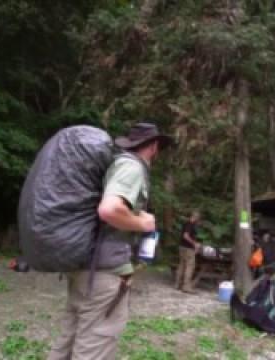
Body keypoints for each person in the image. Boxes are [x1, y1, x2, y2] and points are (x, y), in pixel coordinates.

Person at [48, 122, 172, 360]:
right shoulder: (131, 167)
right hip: (103, 275)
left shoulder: (113, 167)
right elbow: (109, 210)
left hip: (84, 266)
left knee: (68, 341)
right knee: (94, 347)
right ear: (154, 146)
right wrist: (143, 224)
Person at [175, 210, 202, 294]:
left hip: (182, 247)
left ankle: (177, 284)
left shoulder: (186, 223)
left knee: (182, 265)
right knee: (189, 266)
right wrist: (195, 244)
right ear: (195, 217)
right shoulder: (190, 224)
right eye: (198, 218)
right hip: (188, 248)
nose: (198, 220)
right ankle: (186, 286)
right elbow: (185, 236)